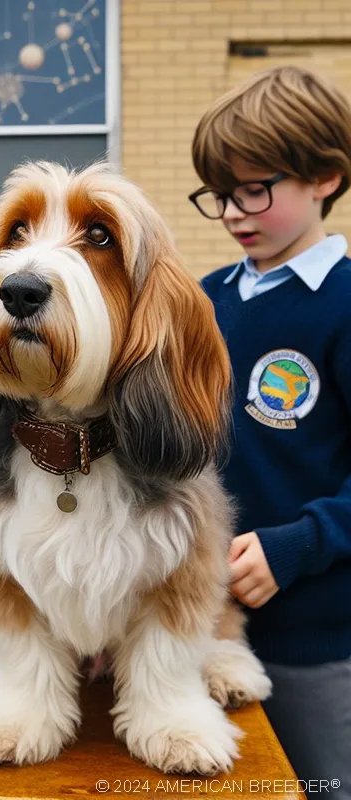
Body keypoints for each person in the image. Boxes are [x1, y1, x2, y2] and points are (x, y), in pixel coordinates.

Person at [192, 65, 351, 797]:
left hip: (311, 638)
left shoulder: (344, 304)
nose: (231, 212)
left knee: (321, 785)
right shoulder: (203, 300)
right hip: (193, 618)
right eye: (219, 195)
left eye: (255, 189)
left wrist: (297, 545)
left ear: (325, 176)